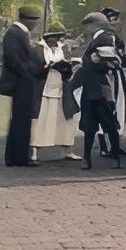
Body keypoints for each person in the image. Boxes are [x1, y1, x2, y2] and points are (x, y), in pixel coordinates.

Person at [0, 6, 49, 166]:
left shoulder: (21, 33)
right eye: (33, 20)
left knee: (21, 119)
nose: (34, 24)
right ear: (24, 19)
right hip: (21, 81)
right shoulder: (14, 33)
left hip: (24, 80)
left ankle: (16, 156)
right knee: (21, 120)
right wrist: (30, 73)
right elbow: (14, 59)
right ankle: (18, 157)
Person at [76, 12, 124, 169]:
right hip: (92, 88)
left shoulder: (104, 38)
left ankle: (111, 157)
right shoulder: (98, 38)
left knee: (108, 124)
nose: (86, 29)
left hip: (101, 88)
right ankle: (88, 158)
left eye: (88, 25)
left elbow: (112, 63)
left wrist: (92, 62)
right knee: (91, 126)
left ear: (95, 25)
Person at [31, 26, 80, 162]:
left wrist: (66, 67)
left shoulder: (62, 49)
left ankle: (68, 150)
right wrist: (47, 67)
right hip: (44, 89)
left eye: (59, 37)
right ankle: (34, 150)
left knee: (66, 120)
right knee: (41, 120)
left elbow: (68, 64)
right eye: (55, 37)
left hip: (61, 88)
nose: (58, 40)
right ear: (48, 37)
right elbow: (34, 68)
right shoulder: (38, 49)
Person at [97, 8, 126, 159]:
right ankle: (104, 146)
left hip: (116, 75)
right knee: (105, 108)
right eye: (112, 20)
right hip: (106, 75)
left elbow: (123, 60)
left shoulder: (116, 38)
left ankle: (115, 144)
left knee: (117, 107)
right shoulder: (101, 37)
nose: (115, 23)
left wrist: (121, 57)